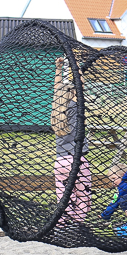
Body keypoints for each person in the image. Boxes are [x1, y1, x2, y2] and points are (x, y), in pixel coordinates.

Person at [52, 56, 91, 227]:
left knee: (64, 195)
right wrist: (75, 66)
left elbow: (56, 90)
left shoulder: (56, 111)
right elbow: (81, 87)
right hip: (78, 161)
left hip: (60, 163)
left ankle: (62, 223)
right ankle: (77, 223)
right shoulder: (75, 109)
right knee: (82, 195)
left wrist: (58, 68)